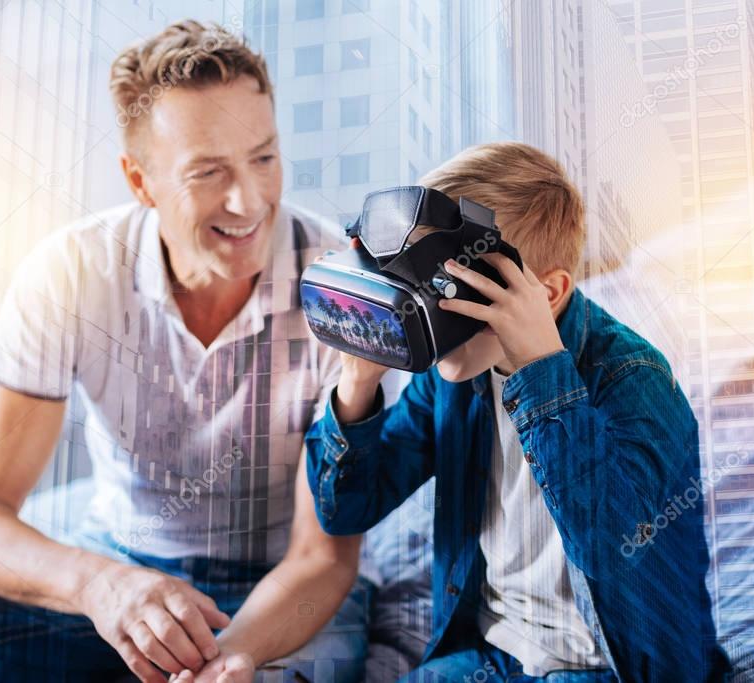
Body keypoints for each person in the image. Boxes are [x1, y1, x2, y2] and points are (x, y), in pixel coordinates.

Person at [0, 20, 367, 683]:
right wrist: (105, 588)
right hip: (122, 565)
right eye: (207, 171)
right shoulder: (69, 272)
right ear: (140, 180)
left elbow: (322, 559)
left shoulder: (337, 283)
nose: (249, 200)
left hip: (284, 594)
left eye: (264, 157)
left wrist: (223, 659)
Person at [304, 142, 732, 682]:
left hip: (608, 665)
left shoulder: (634, 379)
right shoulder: (454, 374)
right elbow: (345, 511)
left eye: (454, 289)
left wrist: (540, 369)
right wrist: (358, 382)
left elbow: (612, 549)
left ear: (547, 294)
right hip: (491, 655)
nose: (434, 314)